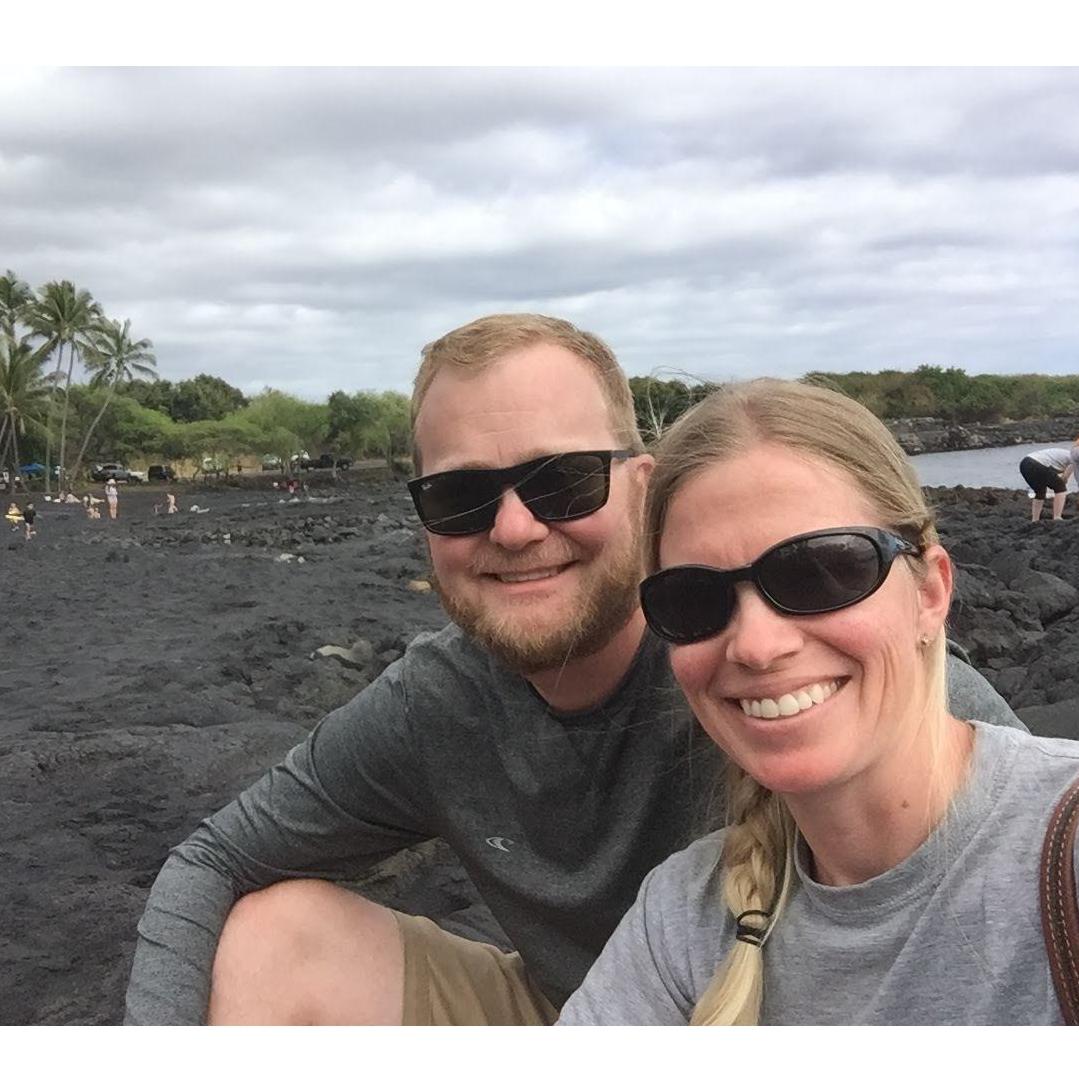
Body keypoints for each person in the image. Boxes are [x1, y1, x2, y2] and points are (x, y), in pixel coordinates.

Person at [125, 315, 1026, 1026]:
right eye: (460, 496)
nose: (513, 528)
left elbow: (1015, 863)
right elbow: (215, 856)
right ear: (423, 521)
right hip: (581, 1015)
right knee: (278, 937)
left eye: (562, 483)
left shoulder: (798, 685)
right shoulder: (435, 703)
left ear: (644, 486)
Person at [558, 379, 1079, 1026]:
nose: (754, 644)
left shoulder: (1058, 855)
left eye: (820, 571)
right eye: (693, 598)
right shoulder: (681, 918)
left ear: (930, 592)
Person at [1019, 446, 1073, 521]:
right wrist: (1064, 479)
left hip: (1025, 463)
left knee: (1040, 491)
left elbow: (1052, 472)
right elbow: (1064, 478)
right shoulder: (1074, 457)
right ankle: (1057, 517)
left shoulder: (1066, 455)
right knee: (1060, 487)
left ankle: (1035, 520)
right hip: (1037, 463)